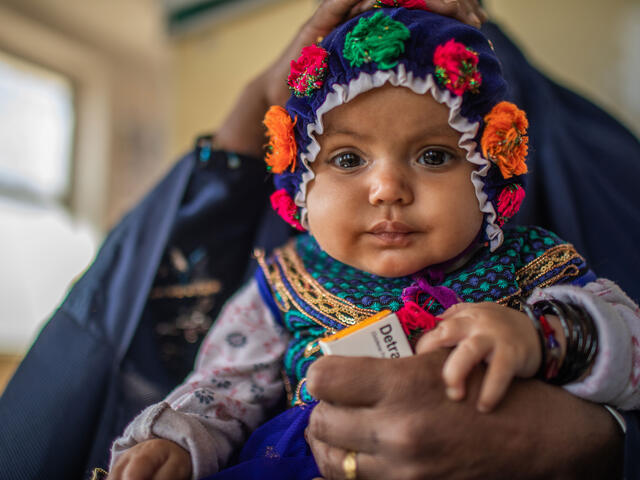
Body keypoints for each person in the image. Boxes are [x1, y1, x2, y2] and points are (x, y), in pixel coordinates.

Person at [107, 3, 640, 480]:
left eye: (433, 156)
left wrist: (544, 339)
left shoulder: (531, 266)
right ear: (299, 186)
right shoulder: (287, 279)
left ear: (489, 172)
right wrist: (175, 442)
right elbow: (225, 385)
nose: (387, 189)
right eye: (347, 159)